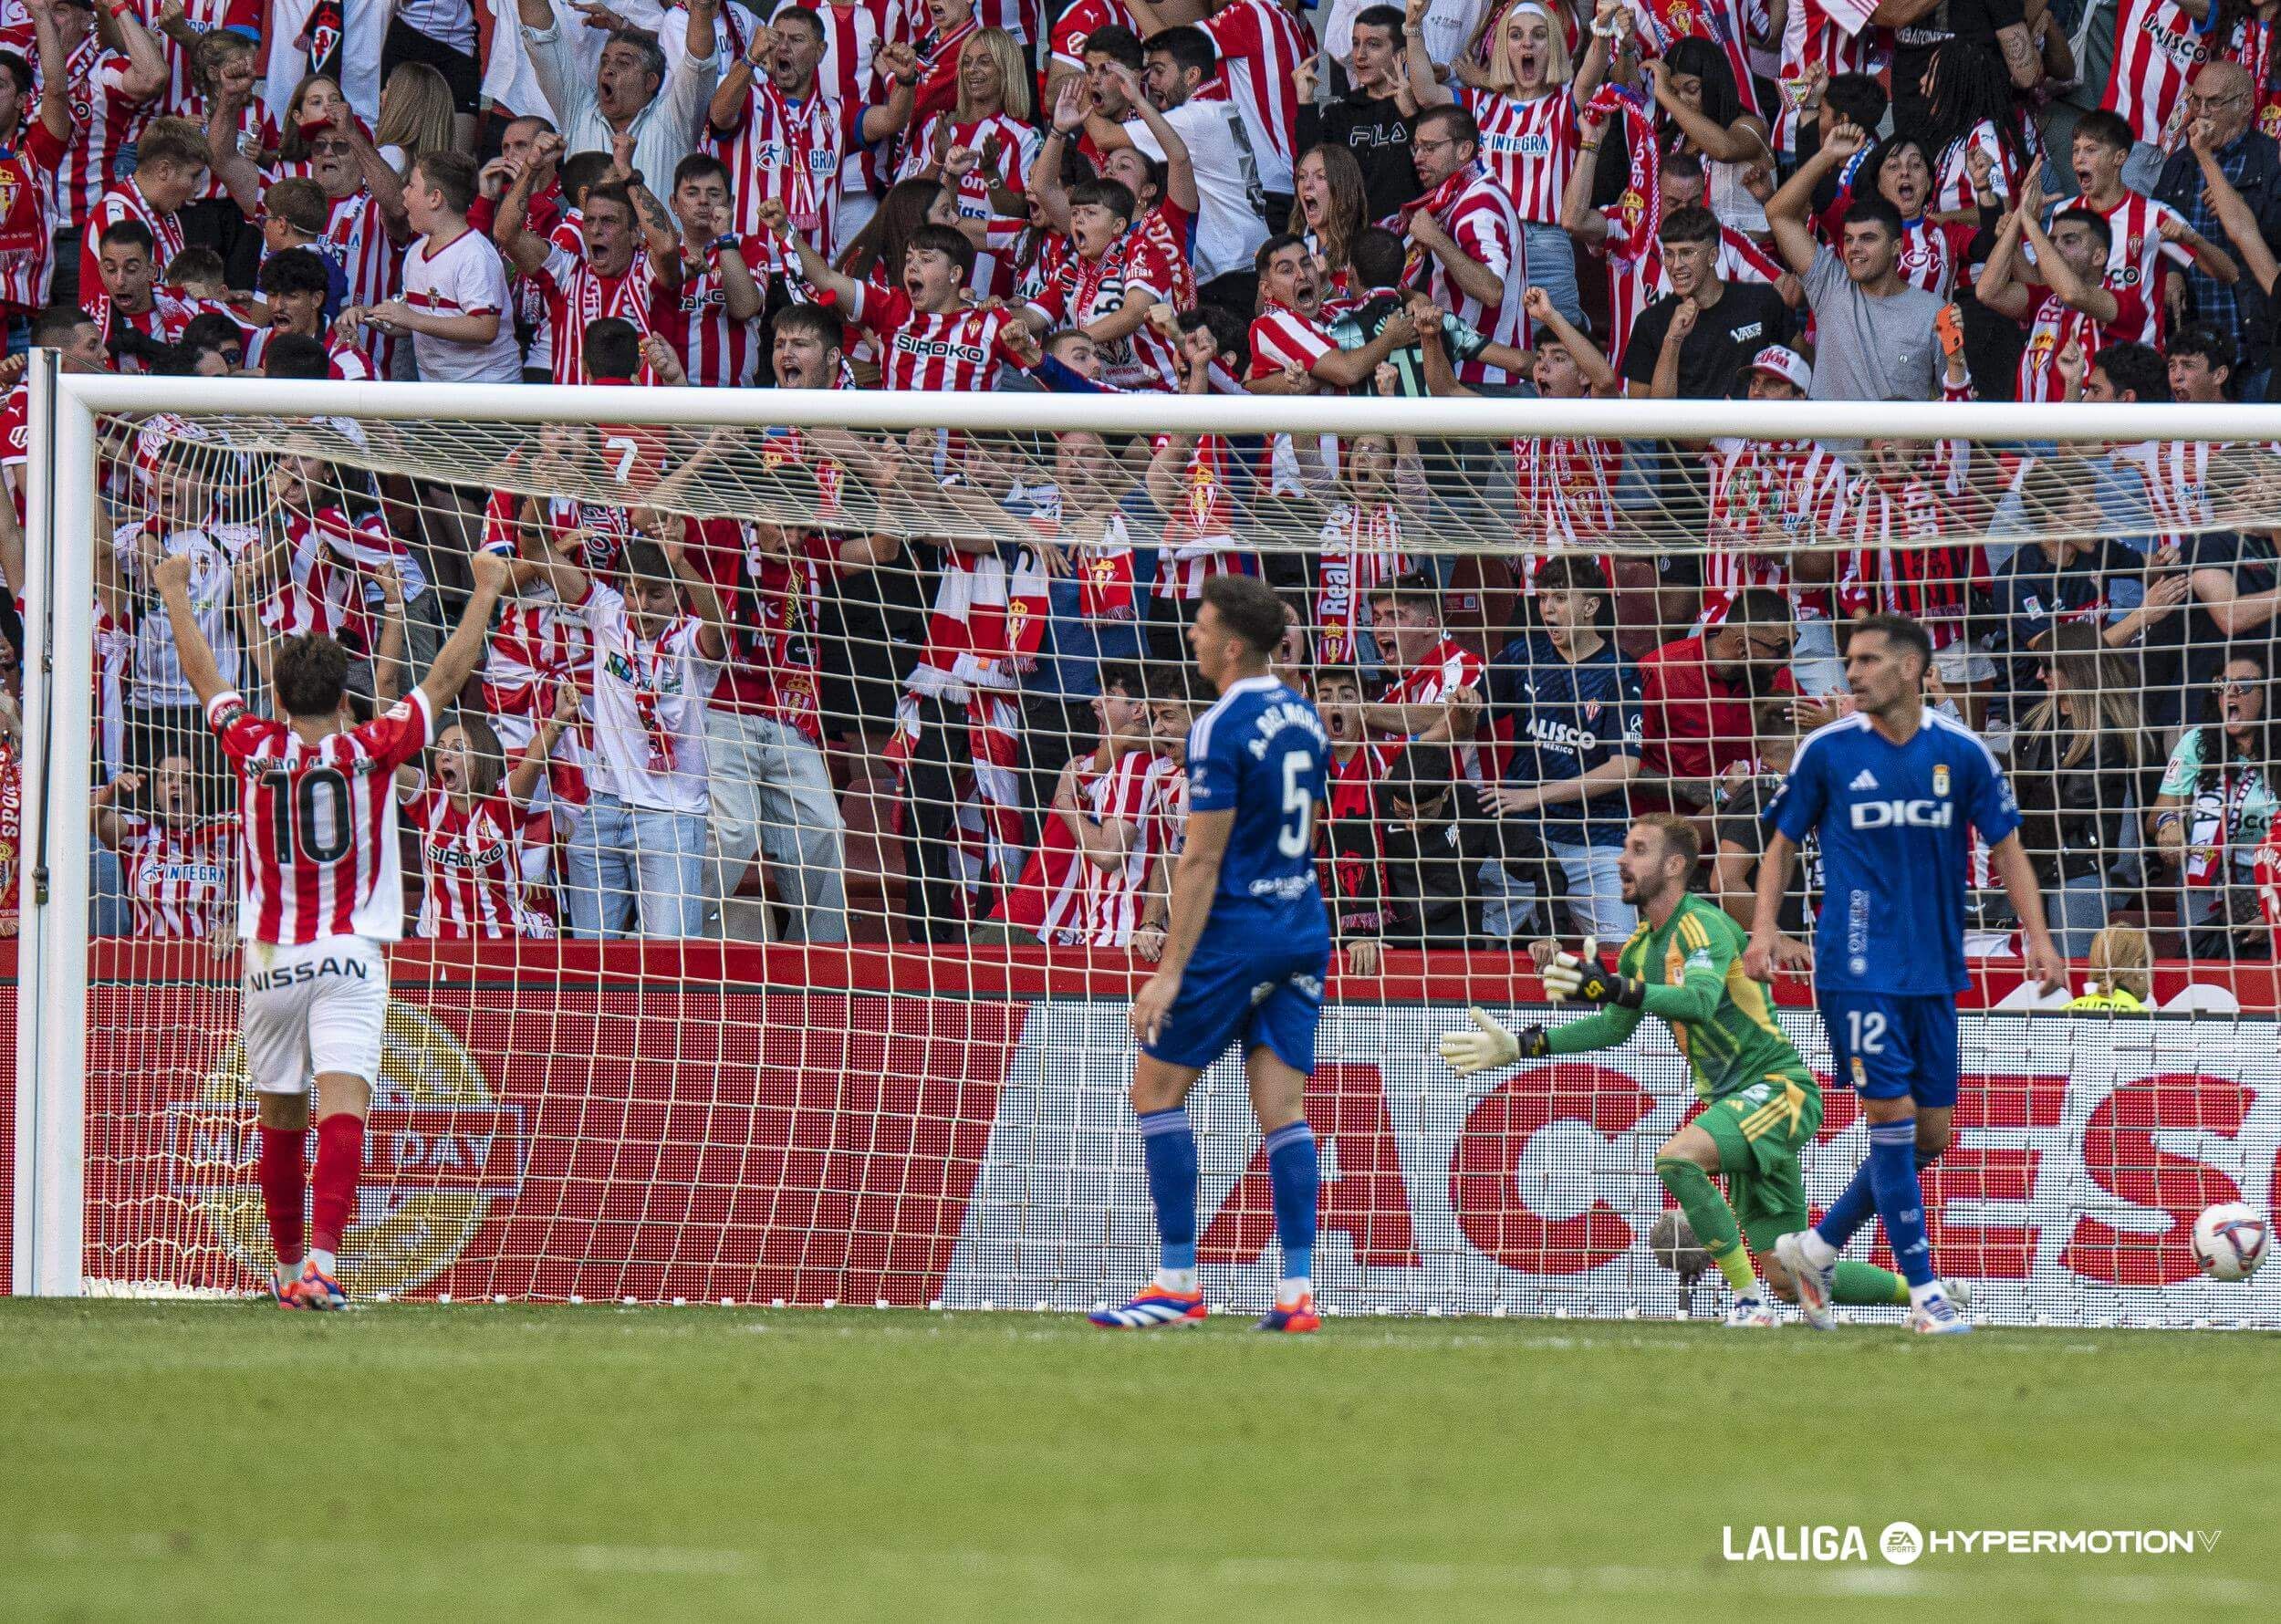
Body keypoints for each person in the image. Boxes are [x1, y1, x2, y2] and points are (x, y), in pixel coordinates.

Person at [147, 541, 509, 1309]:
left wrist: (176, 591)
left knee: (279, 1117)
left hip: (272, 958)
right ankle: (320, 1262)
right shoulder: (372, 749)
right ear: (345, 701)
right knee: (344, 1107)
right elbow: (444, 678)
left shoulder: (253, 745)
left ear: (279, 702)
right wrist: (483, 591)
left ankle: (284, 1276)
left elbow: (203, 675)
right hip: (349, 953)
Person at [1441, 815, 1925, 1327]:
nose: (1621, 860)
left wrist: (1617, 989)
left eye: (1638, 849)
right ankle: (1926, 1293)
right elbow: (1613, 1027)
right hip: (1735, 1105)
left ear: (1674, 866)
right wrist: (1523, 1044)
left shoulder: (1704, 924)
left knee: (1676, 1159)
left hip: (1779, 1091)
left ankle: (1746, 1303)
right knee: (1791, 1272)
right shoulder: (1639, 948)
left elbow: (1697, 1001)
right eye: (1623, 847)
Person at [1747, 613, 2067, 1335]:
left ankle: (1818, 1248)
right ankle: (1926, 1296)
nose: (1850, 673)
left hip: (1933, 968)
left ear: (1911, 669)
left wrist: (2038, 938)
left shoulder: (1965, 753)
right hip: (1855, 966)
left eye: (1865, 661)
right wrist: (1765, 929)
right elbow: (1781, 844)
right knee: (1889, 1121)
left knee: (1932, 1136)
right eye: (1849, 661)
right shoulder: (1826, 751)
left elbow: (2009, 849)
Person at [1094, 572, 1332, 1333]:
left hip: (1236, 933)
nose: (1191, 636)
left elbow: (1198, 861)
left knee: (1155, 1094)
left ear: (1231, 645)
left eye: (1199, 627)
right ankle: (1296, 1293)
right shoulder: (1307, 716)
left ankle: (1175, 1283)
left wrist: (1169, 974)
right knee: (1283, 1112)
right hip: (1301, 925)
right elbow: (1313, 825)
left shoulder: (1215, 726)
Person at [523, 529, 732, 941]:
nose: (642, 605)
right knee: (590, 960)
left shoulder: (690, 641)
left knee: (670, 962)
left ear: (676, 596)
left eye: (655, 594)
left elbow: (720, 630)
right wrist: (535, 484)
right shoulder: (607, 614)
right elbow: (535, 550)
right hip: (603, 808)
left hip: (670, 817)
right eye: (634, 592)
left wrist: (683, 563)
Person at [1765, 122, 1948, 402]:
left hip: (1895, 447)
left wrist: (1918, 438)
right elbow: (1778, 214)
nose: (1854, 249)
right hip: (1825, 447)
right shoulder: (1829, 284)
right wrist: (1826, 156)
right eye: (1849, 239)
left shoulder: (1938, 313)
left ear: (1896, 247)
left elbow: (1954, 398)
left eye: (1868, 239)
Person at [516, 0, 723, 192]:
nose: (608, 70)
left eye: (623, 63)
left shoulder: (676, 119)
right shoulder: (577, 110)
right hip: (584, 232)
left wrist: (701, 7)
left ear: (650, 81)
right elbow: (541, 39)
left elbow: (699, 64)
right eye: (604, 61)